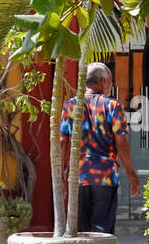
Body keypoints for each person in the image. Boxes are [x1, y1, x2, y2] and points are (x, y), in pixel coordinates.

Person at [59, 62, 141, 234]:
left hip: (78, 176)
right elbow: (121, 142)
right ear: (103, 81)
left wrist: (61, 174)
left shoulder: (71, 105)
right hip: (105, 176)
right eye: (111, 81)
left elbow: (62, 141)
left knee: (79, 231)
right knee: (101, 232)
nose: (111, 86)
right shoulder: (112, 105)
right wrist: (132, 174)